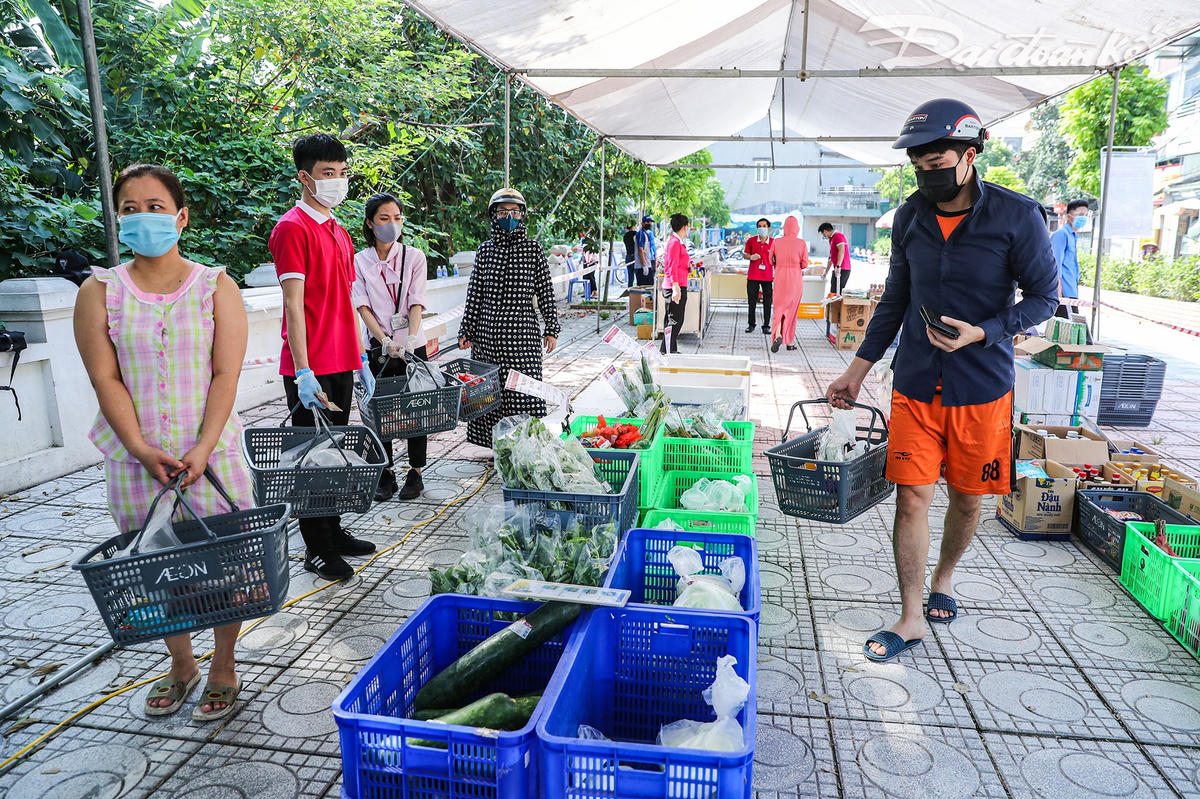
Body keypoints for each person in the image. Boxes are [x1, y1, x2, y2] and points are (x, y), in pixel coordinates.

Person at [825, 98, 1058, 663]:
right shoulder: (909, 217)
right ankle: (909, 617)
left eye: (938, 160)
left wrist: (983, 332)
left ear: (970, 155)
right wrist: (857, 369)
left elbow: (1045, 299)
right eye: (918, 163)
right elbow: (895, 301)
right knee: (911, 499)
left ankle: (944, 579)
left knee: (969, 500)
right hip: (916, 385)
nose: (927, 170)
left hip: (982, 389)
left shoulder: (1016, 216)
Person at [75, 164, 254, 721]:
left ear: (181, 217)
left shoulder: (216, 286)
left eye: (156, 206)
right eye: (129, 207)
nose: (142, 216)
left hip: (212, 457)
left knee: (227, 565)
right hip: (136, 462)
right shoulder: (98, 291)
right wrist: (136, 446)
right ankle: (181, 663)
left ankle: (223, 664)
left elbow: (226, 373)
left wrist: (202, 447)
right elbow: (106, 379)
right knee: (154, 568)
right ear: (118, 219)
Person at [269, 133, 377, 582]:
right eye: (327, 174)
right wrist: (303, 370)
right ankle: (316, 547)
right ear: (305, 177)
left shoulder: (338, 231)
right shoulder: (292, 228)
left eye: (342, 173)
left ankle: (333, 532)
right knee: (312, 456)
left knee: (336, 452)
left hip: (341, 359)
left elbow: (348, 298)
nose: (337, 181)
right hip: (310, 366)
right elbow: (294, 305)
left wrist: (361, 358)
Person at [458, 188, 560, 447]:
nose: (509, 217)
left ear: (523, 215)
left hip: (522, 337)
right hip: (487, 338)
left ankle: (524, 447)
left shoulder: (533, 250)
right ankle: (497, 450)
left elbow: (545, 291)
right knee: (489, 395)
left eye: (515, 212)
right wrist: (466, 330)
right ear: (493, 215)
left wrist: (551, 327)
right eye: (503, 212)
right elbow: (475, 293)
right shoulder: (485, 251)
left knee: (523, 391)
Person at [352, 193, 429, 502]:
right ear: (370, 224)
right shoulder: (358, 261)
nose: (392, 224)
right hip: (378, 345)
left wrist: (408, 339)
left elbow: (416, 300)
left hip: (412, 344)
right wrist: (383, 339)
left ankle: (416, 471)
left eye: (397, 218)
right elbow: (362, 305)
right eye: (384, 219)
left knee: (418, 406)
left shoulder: (414, 257)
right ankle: (386, 472)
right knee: (379, 410)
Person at [769, 215, 809, 352]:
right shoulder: (802, 243)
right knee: (791, 312)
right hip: (795, 280)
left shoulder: (776, 242)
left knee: (779, 309)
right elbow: (805, 264)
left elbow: (770, 260)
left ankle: (778, 334)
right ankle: (789, 342)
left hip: (780, 278)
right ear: (796, 228)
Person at [1051, 199, 1088, 318]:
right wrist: (1058, 293)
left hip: (1071, 293)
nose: (1084, 218)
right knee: (1066, 331)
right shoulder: (1061, 235)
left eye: (1086, 215)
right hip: (1063, 294)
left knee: (1069, 331)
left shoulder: (1073, 236)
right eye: (1080, 215)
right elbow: (1055, 265)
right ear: (1069, 217)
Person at [660, 213, 690, 354]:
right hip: (674, 286)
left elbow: (678, 264)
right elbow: (671, 266)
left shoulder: (677, 242)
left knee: (673, 320)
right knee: (674, 321)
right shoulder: (674, 243)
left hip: (677, 284)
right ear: (685, 227)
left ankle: (668, 349)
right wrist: (676, 286)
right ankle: (667, 352)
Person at [743, 218, 774, 335]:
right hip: (753, 276)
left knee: (767, 302)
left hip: (767, 277)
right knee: (752, 301)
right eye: (760, 226)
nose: (762, 228)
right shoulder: (751, 241)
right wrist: (751, 257)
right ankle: (751, 324)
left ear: (768, 228)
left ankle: (766, 325)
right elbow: (745, 254)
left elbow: (776, 258)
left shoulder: (773, 242)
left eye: (764, 226)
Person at [819, 222, 851, 294]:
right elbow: (831, 258)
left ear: (825, 231)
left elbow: (842, 251)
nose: (824, 235)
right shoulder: (831, 239)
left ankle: (836, 305)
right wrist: (825, 272)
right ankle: (833, 305)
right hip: (837, 268)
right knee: (833, 291)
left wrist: (838, 266)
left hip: (843, 268)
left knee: (837, 292)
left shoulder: (838, 236)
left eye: (823, 234)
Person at [634, 214, 657, 286]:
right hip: (642, 267)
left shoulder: (645, 233)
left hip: (647, 264)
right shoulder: (640, 234)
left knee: (649, 289)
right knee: (644, 289)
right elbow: (640, 250)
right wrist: (644, 265)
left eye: (650, 222)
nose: (649, 224)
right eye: (647, 222)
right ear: (642, 223)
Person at [576, 229, 599, 299]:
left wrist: (577, 249)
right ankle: (587, 292)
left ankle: (595, 292)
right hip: (587, 261)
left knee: (591, 276)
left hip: (592, 260)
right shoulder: (584, 239)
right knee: (585, 277)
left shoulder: (589, 239)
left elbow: (587, 249)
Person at [622, 220, 638, 286]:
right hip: (635, 257)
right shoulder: (635, 234)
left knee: (630, 277)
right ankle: (637, 294)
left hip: (628, 257)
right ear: (633, 226)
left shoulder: (625, 236)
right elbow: (637, 245)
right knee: (638, 276)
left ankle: (630, 291)